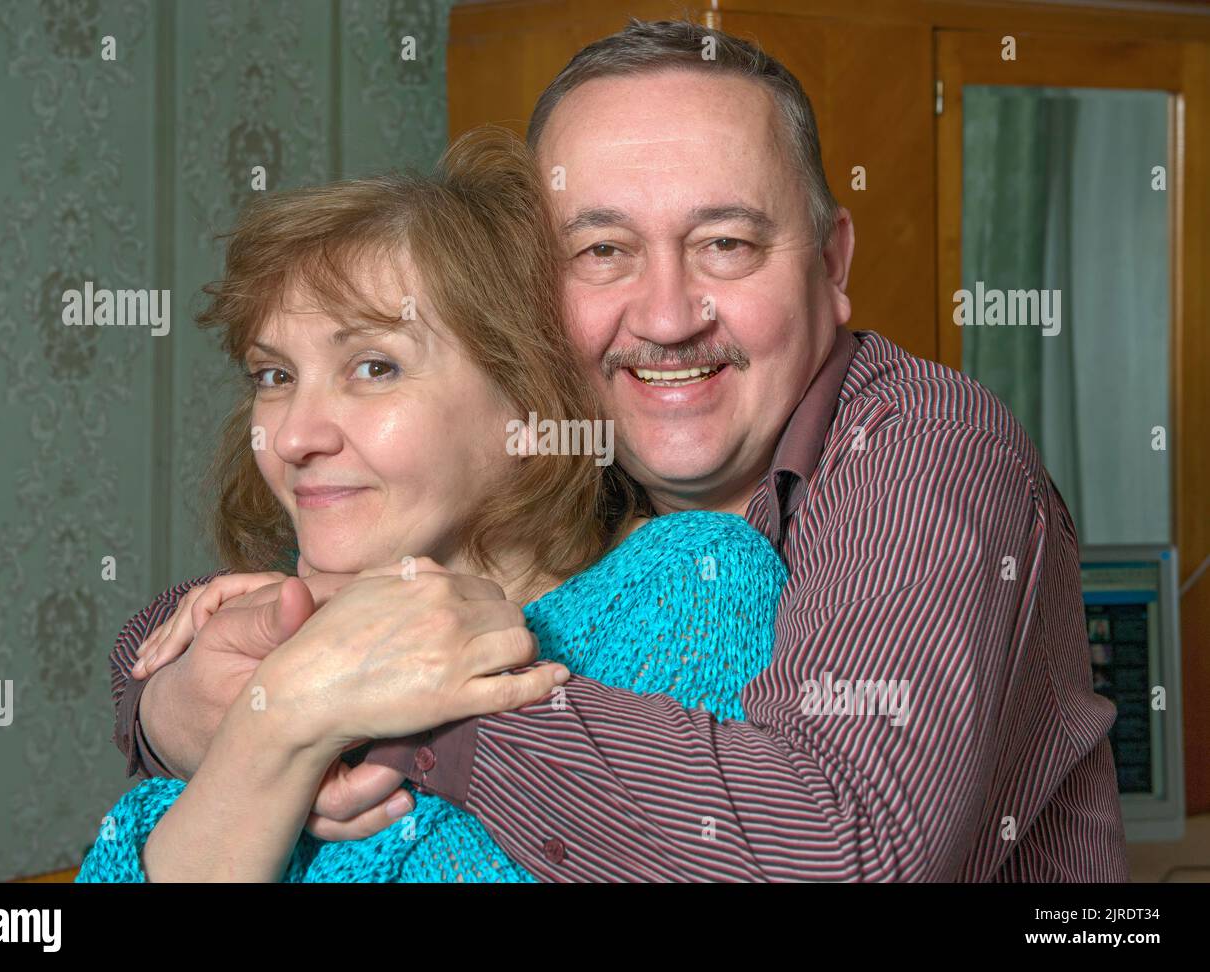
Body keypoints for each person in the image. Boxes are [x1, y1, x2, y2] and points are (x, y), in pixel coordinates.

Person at [113, 19, 1128, 881]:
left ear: (830, 264)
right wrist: (198, 689)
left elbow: (845, 849)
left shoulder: (924, 453)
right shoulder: (588, 441)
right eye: (602, 251)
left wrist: (382, 700)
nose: (665, 315)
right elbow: (227, 627)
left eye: (724, 243)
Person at [78, 126, 788, 881]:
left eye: (374, 367)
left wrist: (291, 719)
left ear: (527, 394)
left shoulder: (690, 584)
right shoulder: (281, 632)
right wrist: (281, 716)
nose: (292, 437)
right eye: (274, 376)